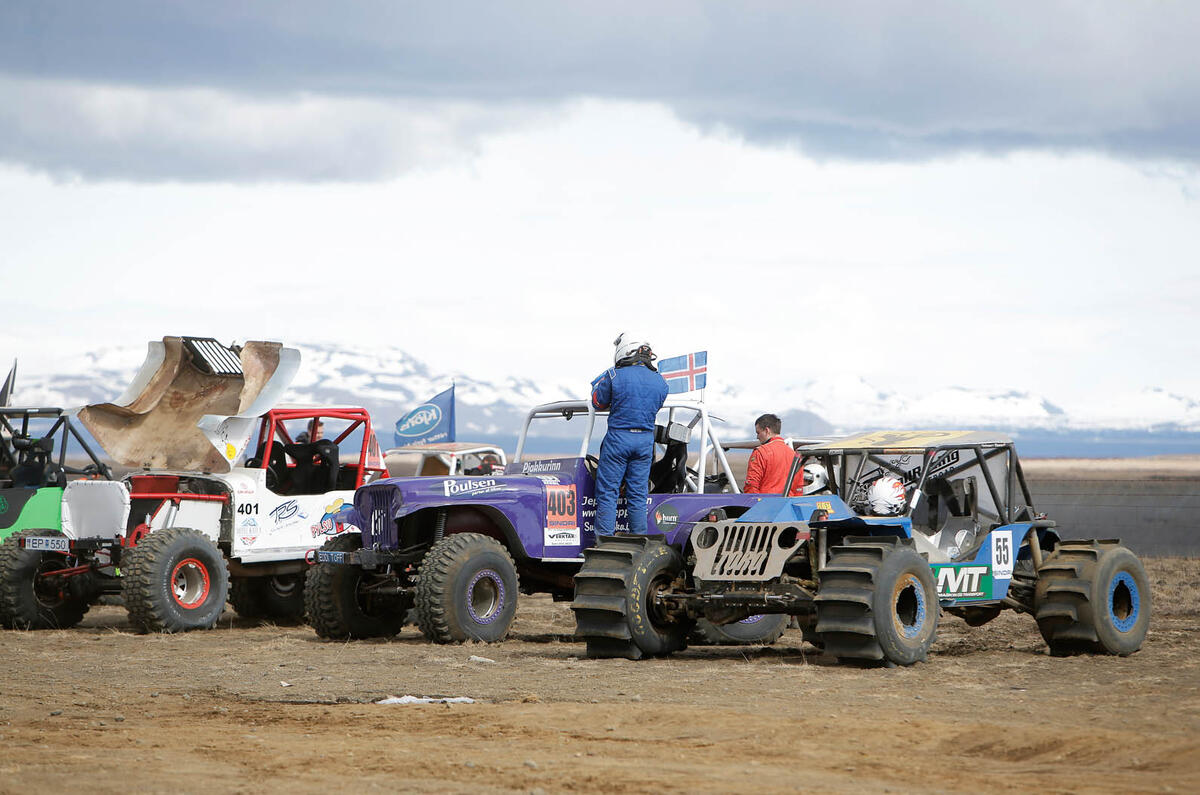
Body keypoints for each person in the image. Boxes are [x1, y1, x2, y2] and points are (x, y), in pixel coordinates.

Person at [590, 333, 669, 536]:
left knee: (608, 493)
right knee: (638, 495)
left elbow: (598, 402)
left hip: (618, 439)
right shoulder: (661, 382)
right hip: (644, 442)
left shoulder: (614, 375)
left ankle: (604, 544)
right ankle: (639, 542)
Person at [743, 413, 794, 494]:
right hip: (788, 503)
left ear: (767, 430)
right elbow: (798, 488)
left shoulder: (760, 452)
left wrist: (753, 504)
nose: (757, 437)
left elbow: (751, 485)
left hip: (766, 502)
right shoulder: (794, 455)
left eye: (758, 432)